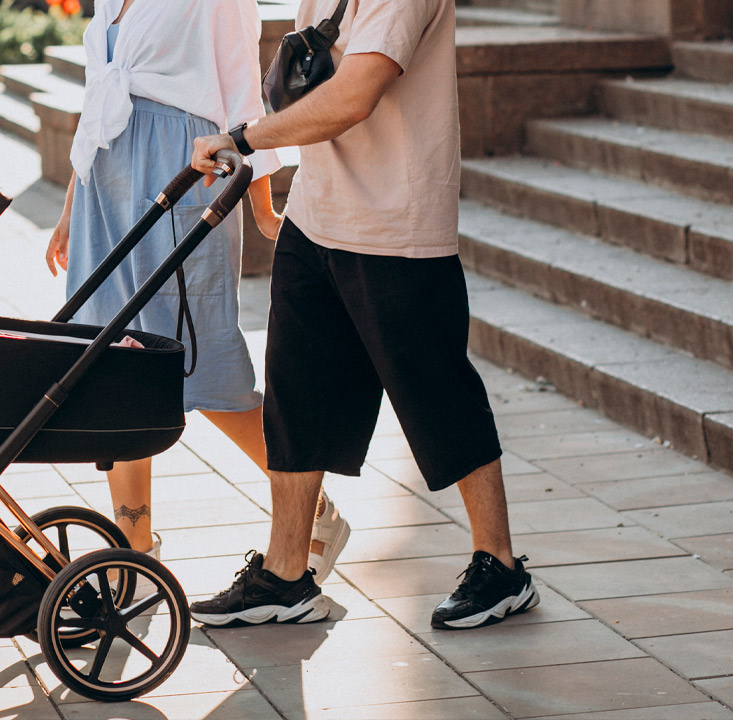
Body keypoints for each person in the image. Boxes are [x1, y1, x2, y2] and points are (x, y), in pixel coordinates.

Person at [187, 0, 538, 630]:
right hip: (318, 214)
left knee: (435, 393)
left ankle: (501, 567)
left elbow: (355, 94)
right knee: (295, 397)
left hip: (395, 222)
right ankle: (287, 574)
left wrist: (243, 138)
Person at [45, 0, 351, 579]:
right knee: (111, 364)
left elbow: (240, 87)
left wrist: (259, 206)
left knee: (198, 360)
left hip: (184, 170)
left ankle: (312, 506)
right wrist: (71, 204)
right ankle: (131, 551)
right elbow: (99, 101)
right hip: (104, 181)